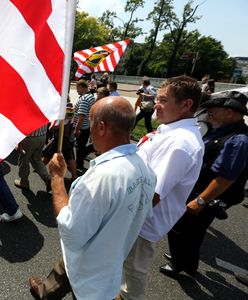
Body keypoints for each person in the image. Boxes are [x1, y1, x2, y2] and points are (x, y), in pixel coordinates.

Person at [28, 96, 157, 300]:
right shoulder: (146, 169)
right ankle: (45, 292)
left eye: (91, 121)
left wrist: (56, 179)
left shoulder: (101, 177)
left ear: (102, 127)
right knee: (65, 270)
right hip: (109, 261)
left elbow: (71, 232)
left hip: (89, 277)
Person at [119, 75, 204, 300]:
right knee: (124, 267)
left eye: (163, 100)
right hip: (135, 216)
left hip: (141, 220)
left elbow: (154, 193)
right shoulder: (171, 130)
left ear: (186, 105)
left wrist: (121, 216)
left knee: (133, 272)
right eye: (157, 98)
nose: (156, 104)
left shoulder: (181, 142)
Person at [161, 90, 248, 278]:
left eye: (213, 110)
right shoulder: (222, 129)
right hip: (199, 190)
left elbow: (225, 178)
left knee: (185, 230)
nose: (208, 114)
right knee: (189, 230)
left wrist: (201, 200)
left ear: (230, 112)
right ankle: (184, 261)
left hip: (206, 196)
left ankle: (181, 266)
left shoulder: (238, 140)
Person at [42, 102, 77, 181]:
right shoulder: (71, 111)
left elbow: (52, 127)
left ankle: (41, 167)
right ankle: (74, 176)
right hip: (69, 138)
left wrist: (53, 129)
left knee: (48, 153)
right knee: (70, 157)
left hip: (59, 139)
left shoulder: (60, 115)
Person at [14, 124, 51, 192]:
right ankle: (48, 179)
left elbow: (23, 127)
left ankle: (24, 183)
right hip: (42, 135)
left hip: (29, 138)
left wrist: (19, 146)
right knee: (37, 159)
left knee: (24, 161)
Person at [73, 79, 95, 172]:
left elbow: (81, 116)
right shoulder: (91, 96)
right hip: (86, 126)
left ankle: (79, 164)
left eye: (77, 88)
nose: (77, 90)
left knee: (80, 147)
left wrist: (77, 129)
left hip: (82, 127)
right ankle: (79, 163)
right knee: (81, 147)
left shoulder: (84, 99)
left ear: (81, 87)